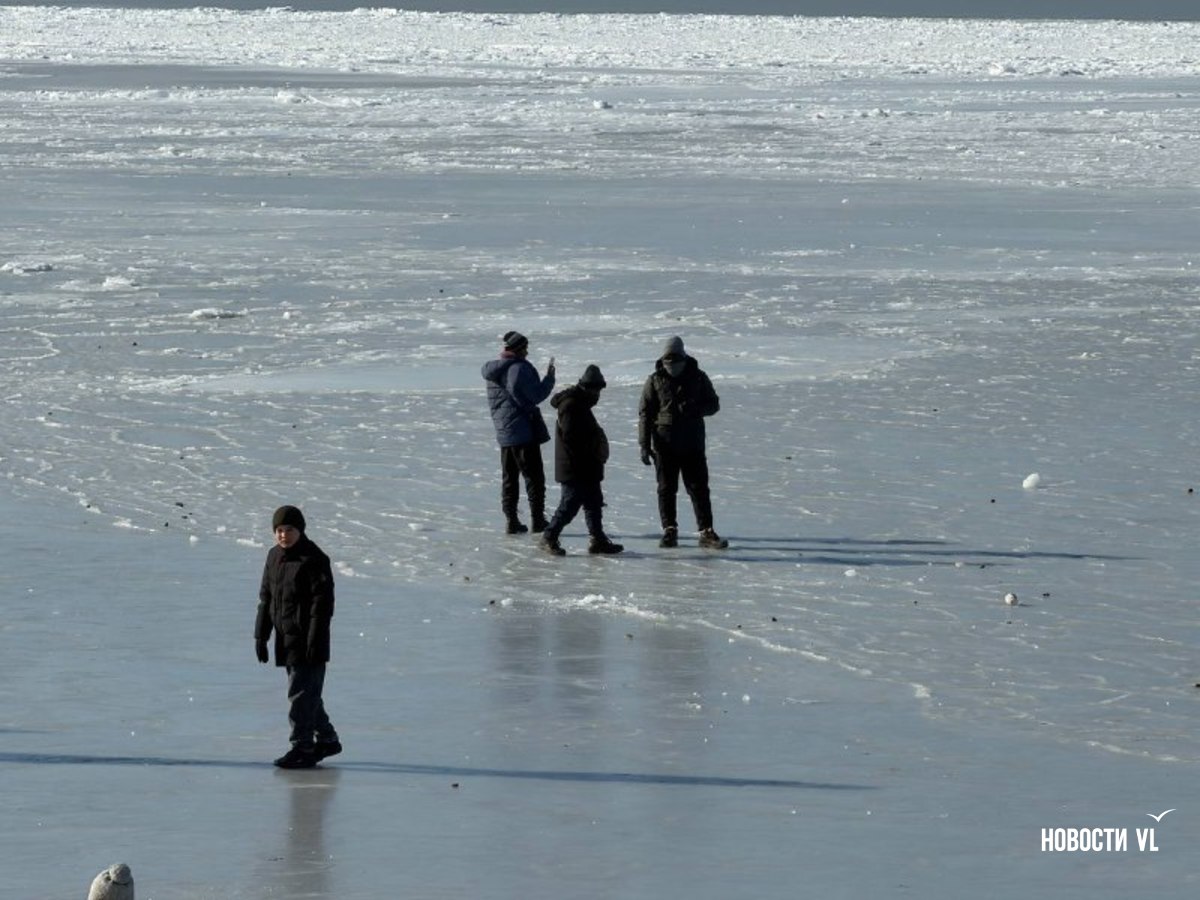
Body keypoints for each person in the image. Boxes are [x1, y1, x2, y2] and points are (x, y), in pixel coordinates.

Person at [255, 505, 341, 769]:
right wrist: (261, 636)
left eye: (289, 530)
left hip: (309, 641)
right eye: (279, 530)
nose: (284, 535)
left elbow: (322, 606)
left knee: (300, 695)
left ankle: (302, 747)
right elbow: (266, 599)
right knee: (307, 694)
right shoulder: (274, 557)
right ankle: (327, 739)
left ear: (300, 530)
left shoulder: (314, 559)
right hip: (286, 639)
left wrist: (314, 641)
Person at [638, 336, 728, 549]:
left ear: (683, 356)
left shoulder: (698, 376)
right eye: (668, 359)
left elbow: (713, 404)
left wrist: (695, 409)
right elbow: (645, 413)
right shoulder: (655, 380)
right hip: (664, 445)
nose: (672, 364)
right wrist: (644, 444)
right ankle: (670, 530)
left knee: (698, 488)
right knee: (666, 488)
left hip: (692, 444)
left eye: (676, 359)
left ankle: (706, 531)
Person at [540, 365, 623, 556]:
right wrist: (590, 452)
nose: (598, 395)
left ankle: (598, 540)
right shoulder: (571, 405)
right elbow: (571, 438)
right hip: (575, 466)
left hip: (586, 464)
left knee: (594, 502)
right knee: (569, 504)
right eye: (596, 390)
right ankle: (549, 537)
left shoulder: (580, 403)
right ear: (587, 387)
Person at [482, 330, 556, 534]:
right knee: (534, 477)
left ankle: (511, 520)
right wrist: (549, 379)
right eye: (525, 348)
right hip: (523, 431)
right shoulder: (519, 368)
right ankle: (538, 520)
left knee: (510, 478)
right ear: (518, 349)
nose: (527, 352)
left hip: (504, 431)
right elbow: (534, 395)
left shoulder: (493, 370)